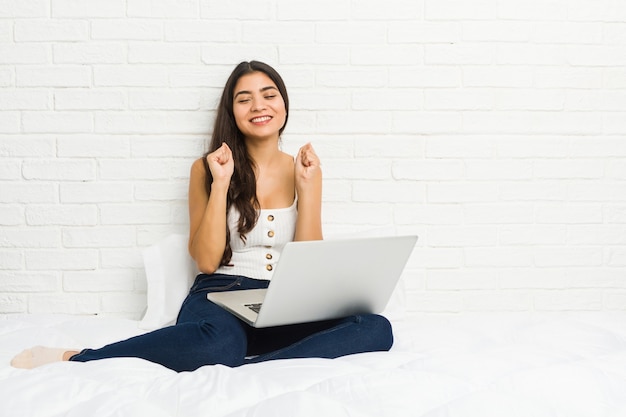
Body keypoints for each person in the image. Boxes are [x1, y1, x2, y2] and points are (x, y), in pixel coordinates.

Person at [11, 60, 393, 372]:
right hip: (219, 295)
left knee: (376, 329)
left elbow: (310, 264)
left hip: (284, 302)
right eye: (245, 99)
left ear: (284, 105)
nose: (259, 106)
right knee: (220, 343)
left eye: (269, 95)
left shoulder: (305, 169)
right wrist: (222, 183)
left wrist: (308, 190)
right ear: (232, 112)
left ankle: (253, 367)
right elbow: (207, 260)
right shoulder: (207, 169)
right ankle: (78, 357)